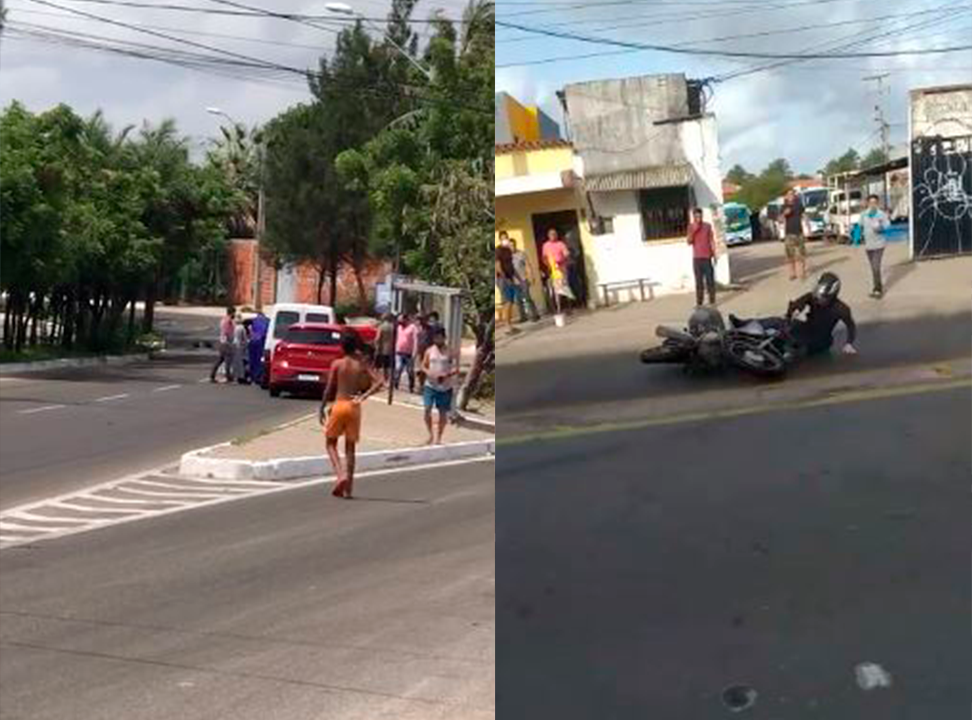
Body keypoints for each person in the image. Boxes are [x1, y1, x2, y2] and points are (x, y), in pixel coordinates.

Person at [319, 331, 384, 499]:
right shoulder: (360, 364)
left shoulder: (337, 364)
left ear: (342, 347)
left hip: (339, 404)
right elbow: (380, 382)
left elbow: (329, 388)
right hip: (354, 406)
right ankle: (349, 490)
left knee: (330, 443)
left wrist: (322, 407)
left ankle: (341, 475)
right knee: (350, 448)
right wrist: (364, 396)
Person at [785, 272, 857, 357]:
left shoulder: (841, 308)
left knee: (799, 349)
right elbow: (797, 304)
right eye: (818, 296)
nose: (819, 300)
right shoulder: (812, 297)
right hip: (807, 328)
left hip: (822, 339)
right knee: (782, 326)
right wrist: (796, 309)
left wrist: (849, 343)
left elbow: (851, 326)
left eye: (823, 297)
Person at [422, 327, 459, 445]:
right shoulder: (429, 351)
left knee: (442, 413)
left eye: (439, 337)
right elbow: (423, 365)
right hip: (430, 385)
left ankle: (439, 437)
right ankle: (430, 435)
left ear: (444, 337)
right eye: (435, 337)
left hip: (445, 386)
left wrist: (447, 374)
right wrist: (429, 373)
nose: (437, 340)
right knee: (427, 409)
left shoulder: (450, 351)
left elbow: (456, 368)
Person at [860, 194, 890, 298]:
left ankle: (878, 290)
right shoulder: (864, 214)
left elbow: (887, 226)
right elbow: (860, 226)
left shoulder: (881, 214)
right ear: (868, 203)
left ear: (877, 203)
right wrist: (858, 236)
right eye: (871, 202)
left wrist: (880, 228)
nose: (873, 205)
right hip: (868, 246)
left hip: (879, 245)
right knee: (873, 268)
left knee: (876, 267)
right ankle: (876, 287)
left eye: (875, 203)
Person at [686, 207, 717, 306]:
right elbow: (689, 242)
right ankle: (699, 302)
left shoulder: (707, 226)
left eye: (700, 216)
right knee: (699, 282)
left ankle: (712, 301)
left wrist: (715, 254)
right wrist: (694, 230)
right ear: (694, 217)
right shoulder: (691, 227)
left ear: (702, 215)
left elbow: (711, 240)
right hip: (697, 258)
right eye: (696, 216)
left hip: (707, 257)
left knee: (710, 280)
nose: (698, 218)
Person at [509, 235, 540, 322]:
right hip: (513, 281)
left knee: (527, 297)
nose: (512, 247)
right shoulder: (507, 256)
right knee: (518, 300)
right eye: (510, 246)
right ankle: (523, 317)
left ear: (515, 245)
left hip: (523, 279)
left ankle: (534, 315)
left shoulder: (521, 254)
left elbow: (527, 265)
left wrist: (531, 276)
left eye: (513, 245)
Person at [542, 228, 574, 314]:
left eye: (554, 234)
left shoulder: (561, 244)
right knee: (555, 289)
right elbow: (544, 258)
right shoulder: (546, 245)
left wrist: (562, 261)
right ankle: (558, 308)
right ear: (548, 236)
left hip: (561, 268)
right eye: (551, 234)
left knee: (565, 287)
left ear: (556, 235)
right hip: (552, 269)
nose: (553, 236)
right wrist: (548, 265)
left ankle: (568, 308)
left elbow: (567, 254)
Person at [781, 188, 808, 280]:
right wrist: (785, 213)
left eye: (792, 194)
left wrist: (808, 228)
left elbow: (804, 216)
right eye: (789, 194)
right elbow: (780, 219)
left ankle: (802, 272)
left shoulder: (799, 205)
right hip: (789, 234)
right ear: (786, 196)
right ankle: (792, 274)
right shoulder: (784, 206)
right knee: (790, 255)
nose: (791, 196)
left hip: (799, 232)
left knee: (801, 254)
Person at [495, 234, 518, 329]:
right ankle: (507, 326)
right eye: (503, 239)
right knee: (507, 301)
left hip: (510, 277)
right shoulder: (498, 250)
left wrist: (518, 278)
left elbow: (511, 265)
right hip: (503, 279)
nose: (505, 240)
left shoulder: (508, 250)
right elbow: (497, 266)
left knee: (510, 301)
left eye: (506, 238)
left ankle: (509, 324)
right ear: (500, 240)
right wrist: (505, 278)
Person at [210, 306, 236, 383]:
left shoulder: (223, 320)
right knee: (228, 361)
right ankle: (229, 377)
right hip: (226, 343)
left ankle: (212, 375)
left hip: (222, 342)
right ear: (231, 313)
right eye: (234, 313)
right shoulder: (228, 321)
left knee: (220, 360)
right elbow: (227, 333)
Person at [394, 313, 417, 393]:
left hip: (409, 353)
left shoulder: (412, 328)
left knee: (410, 370)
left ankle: (411, 386)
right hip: (399, 352)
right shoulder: (399, 327)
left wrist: (414, 352)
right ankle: (395, 384)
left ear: (406, 320)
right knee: (398, 368)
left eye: (401, 320)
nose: (400, 322)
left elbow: (415, 340)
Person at [248, 309, 270, 385]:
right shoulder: (267, 321)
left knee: (253, 360)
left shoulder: (254, 321)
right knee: (260, 360)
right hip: (262, 342)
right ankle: (259, 377)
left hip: (253, 342)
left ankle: (253, 377)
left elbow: (252, 331)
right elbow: (266, 332)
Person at [375, 313, 395, 381]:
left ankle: (384, 379)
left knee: (383, 366)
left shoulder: (381, 327)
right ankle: (389, 379)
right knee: (390, 365)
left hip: (383, 348)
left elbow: (378, 338)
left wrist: (376, 346)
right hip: (392, 348)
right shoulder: (393, 327)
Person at [231, 314, 249, 384]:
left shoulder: (235, 327)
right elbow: (244, 338)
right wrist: (245, 345)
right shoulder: (242, 328)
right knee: (241, 363)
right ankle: (241, 377)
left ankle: (236, 376)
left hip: (235, 345)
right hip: (240, 346)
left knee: (236, 363)